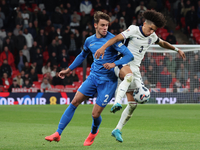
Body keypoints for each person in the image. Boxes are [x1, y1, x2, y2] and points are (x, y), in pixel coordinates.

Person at [94, 10, 186, 142]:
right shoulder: (133, 30)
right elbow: (115, 38)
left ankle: (117, 129)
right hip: (121, 63)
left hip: (135, 69)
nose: (151, 32)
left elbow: (162, 43)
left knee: (133, 105)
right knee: (128, 76)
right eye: (150, 29)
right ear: (144, 24)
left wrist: (177, 50)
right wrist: (103, 48)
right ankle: (117, 102)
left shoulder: (152, 36)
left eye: (154, 30)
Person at [45, 11, 133, 146]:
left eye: (107, 25)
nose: (105, 28)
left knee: (95, 114)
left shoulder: (112, 40)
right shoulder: (89, 41)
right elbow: (82, 55)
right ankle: (58, 133)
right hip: (93, 78)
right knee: (74, 102)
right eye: (102, 25)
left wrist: (114, 64)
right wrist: (68, 70)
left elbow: (129, 56)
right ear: (95, 25)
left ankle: (93, 132)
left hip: (108, 82)